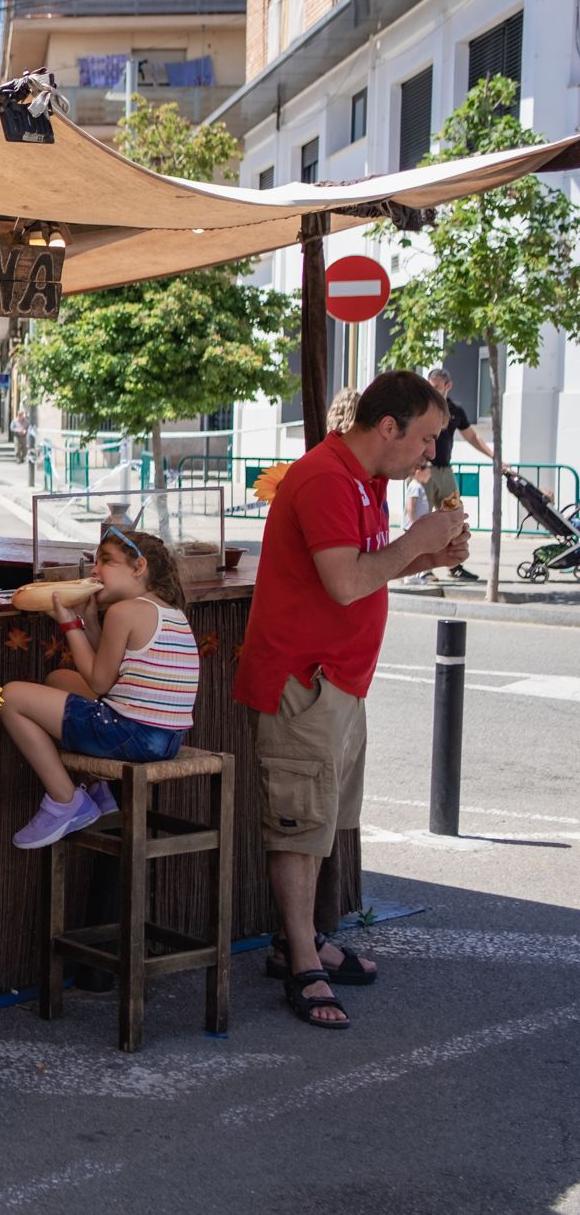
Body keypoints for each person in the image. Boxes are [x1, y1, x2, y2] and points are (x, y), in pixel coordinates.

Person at [234, 370, 469, 1028]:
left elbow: (368, 571)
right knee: (299, 823)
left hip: (335, 679)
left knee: (320, 819)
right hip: (302, 678)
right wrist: (415, 543)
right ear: (387, 427)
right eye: (424, 438)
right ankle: (302, 962)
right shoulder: (327, 478)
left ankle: (300, 940)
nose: (429, 453)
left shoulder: (366, 480)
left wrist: (426, 557)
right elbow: (345, 582)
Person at [0, 529, 200, 848]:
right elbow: (112, 670)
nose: (95, 570)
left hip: (131, 734)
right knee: (59, 680)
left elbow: (99, 682)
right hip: (166, 739)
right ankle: (102, 792)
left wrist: (69, 624)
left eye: (106, 561)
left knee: (11, 697)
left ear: (139, 567)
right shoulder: (169, 611)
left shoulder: (124, 612)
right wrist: (90, 622)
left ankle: (66, 801)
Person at [424, 368, 504, 582]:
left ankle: (455, 564)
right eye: (430, 386)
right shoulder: (422, 408)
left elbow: (471, 437)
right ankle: (423, 569)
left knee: (455, 514)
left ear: (448, 386)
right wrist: (416, 468)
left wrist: (495, 458)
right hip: (424, 470)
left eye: (437, 387)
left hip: (445, 471)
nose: (432, 391)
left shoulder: (455, 411)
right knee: (422, 518)